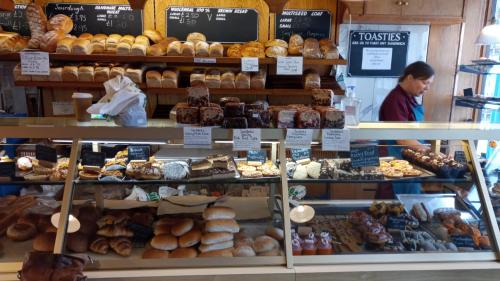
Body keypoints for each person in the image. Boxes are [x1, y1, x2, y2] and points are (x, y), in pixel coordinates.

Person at [378, 61, 435, 195]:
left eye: (429, 84)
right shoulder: (396, 100)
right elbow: (402, 139)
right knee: (394, 206)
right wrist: (431, 154)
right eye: (425, 83)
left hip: (408, 161)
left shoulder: (409, 98)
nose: (427, 88)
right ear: (410, 77)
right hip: (396, 161)